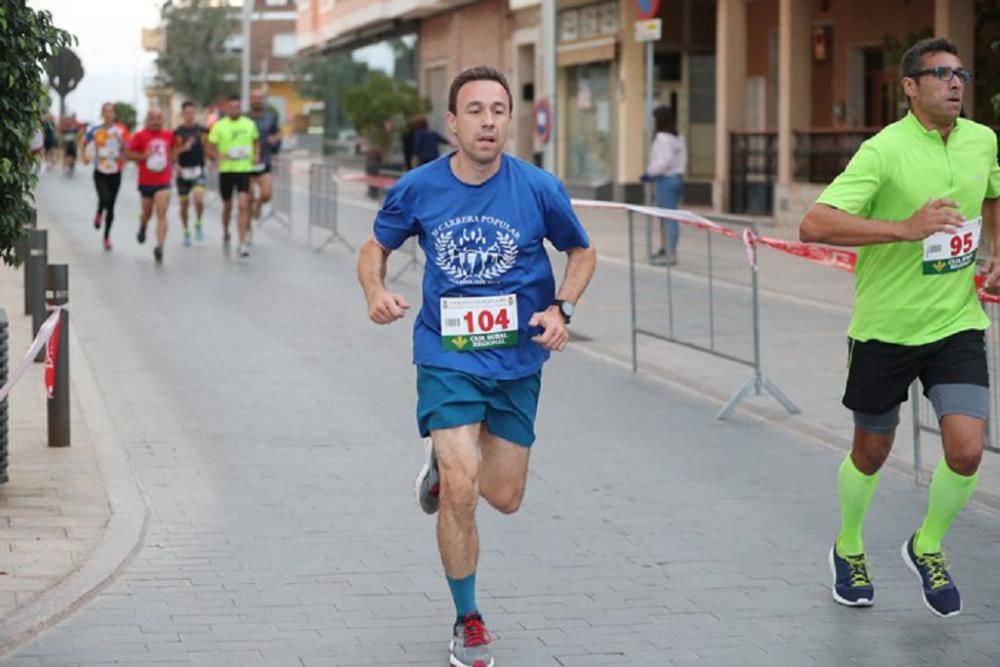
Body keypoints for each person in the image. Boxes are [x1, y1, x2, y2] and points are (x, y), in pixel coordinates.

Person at [357, 66, 597, 667]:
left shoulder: (538, 188)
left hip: (518, 360)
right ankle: (469, 618)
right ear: (452, 122)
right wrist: (375, 292)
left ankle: (444, 468)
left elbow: (582, 249)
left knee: (504, 496)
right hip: (448, 354)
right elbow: (374, 246)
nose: (488, 121)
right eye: (475, 110)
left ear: (510, 119)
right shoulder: (419, 187)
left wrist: (561, 309)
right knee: (463, 490)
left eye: (498, 110)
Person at [800, 37, 1000, 618]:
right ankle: (850, 545)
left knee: (966, 451)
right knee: (872, 449)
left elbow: (993, 194)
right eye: (939, 74)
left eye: (959, 72)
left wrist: (993, 254)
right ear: (909, 87)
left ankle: (927, 545)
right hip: (886, 329)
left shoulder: (983, 140)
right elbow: (815, 223)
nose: (954, 82)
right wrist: (905, 228)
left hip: (957, 323)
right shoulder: (883, 151)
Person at [207, 95, 259, 258]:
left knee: (243, 205)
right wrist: (217, 157)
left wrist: (256, 155)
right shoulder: (219, 126)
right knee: (228, 206)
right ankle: (226, 231)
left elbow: (256, 141)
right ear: (226, 109)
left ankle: (242, 242)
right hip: (226, 171)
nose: (235, 109)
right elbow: (209, 147)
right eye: (232, 107)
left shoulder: (249, 124)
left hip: (244, 169)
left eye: (238, 107)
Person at [127, 108, 175, 264]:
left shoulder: (169, 135)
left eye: (159, 118)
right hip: (146, 181)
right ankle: (143, 225)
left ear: (163, 120)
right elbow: (128, 154)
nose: (156, 121)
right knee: (147, 213)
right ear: (147, 120)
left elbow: (174, 151)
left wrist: (174, 162)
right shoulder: (140, 136)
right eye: (152, 118)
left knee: (162, 212)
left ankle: (160, 246)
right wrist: (143, 156)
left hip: (163, 180)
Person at [641, 106, 686, 266]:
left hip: (665, 180)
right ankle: (666, 248)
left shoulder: (662, 138)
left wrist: (649, 173)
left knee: (667, 217)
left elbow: (663, 161)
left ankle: (670, 253)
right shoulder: (678, 137)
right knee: (670, 216)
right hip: (677, 178)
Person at [82, 103, 129, 251]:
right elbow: (85, 143)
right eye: (106, 111)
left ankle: (106, 237)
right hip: (100, 170)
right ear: (103, 113)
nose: (109, 114)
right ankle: (99, 212)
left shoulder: (121, 129)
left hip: (116, 170)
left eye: (111, 111)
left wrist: (121, 143)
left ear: (114, 114)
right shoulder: (95, 129)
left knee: (111, 205)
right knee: (104, 198)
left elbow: (127, 146)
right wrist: (85, 156)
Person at [173, 101, 209, 246]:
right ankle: (186, 231)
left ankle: (198, 223)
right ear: (183, 114)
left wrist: (210, 159)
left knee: (199, 200)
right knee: (184, 205)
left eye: (192, 112)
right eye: (187, 112)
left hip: (198, 170)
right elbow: (173, 152)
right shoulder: (177, 132)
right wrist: (179, 157)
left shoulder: (202, 130)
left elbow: (207, 146)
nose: (190, 115)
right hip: (183, 172)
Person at [247, 89, 281, 222]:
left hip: (264, 160)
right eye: (254, 98)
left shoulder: (270, 118)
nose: (257, 100)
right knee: (248, 197)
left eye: (260, 98)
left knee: (267, 194)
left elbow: (278, 132)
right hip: (246, 163)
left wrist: (275, 138)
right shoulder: (244, 118)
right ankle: (248, 230)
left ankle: (259, 204)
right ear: (250, 100)